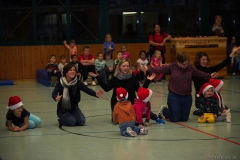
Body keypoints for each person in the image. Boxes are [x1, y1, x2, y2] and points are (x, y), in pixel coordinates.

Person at [146, 52, 218, 122]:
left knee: (184, 118)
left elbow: (199, 73)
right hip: (174, 95)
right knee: (175, 118)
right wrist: (148, 69)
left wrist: (210, 75)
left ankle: (175, 111)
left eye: (187, 63)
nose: (185, 66)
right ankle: (164, 110)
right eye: (184, 64)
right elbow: (160, 69)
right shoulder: (172, 66)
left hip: (187, 96)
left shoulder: (190, 67)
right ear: (178, 62)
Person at [88, 59, 155, 119]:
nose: (126, 68)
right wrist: (97, 77)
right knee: (120, 120)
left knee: (139, 115)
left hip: (130, 103)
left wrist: (148, 81)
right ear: (119, 67)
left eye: (127, 66)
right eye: (124, 66)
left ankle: (156, 117)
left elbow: (140, 91)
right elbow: (106, 88)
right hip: (117, 104)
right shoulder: (115, 78)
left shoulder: (132, 77)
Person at [192, 47, 240, 115]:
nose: (205, 61)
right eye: (203, 60)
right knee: (216, 110)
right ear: (198, 60)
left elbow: (222, 65)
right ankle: (200, 109)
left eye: (206, 59)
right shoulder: (195, 71)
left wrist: (232, 53)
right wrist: (210, 76)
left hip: (210, 97)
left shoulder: (208, 70)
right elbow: (202, 78)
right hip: (201, 99)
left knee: (224, 108)